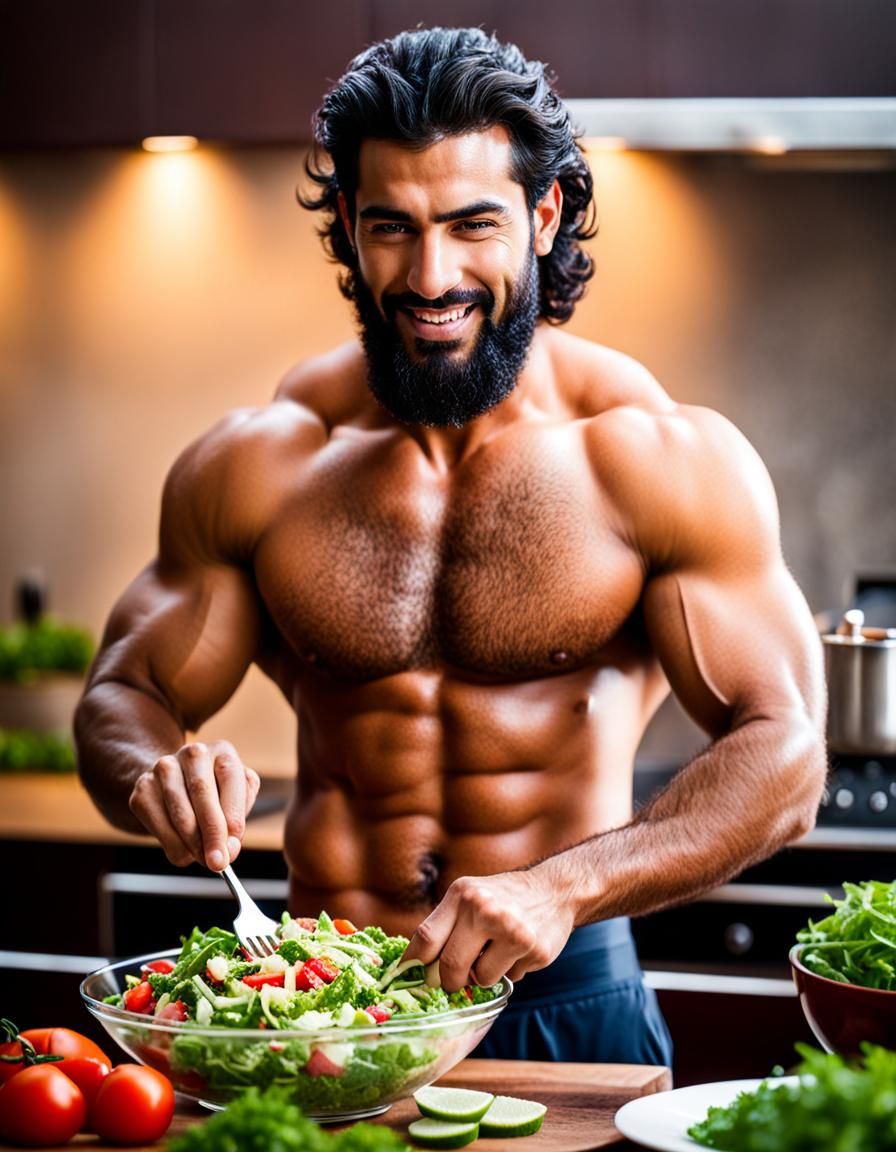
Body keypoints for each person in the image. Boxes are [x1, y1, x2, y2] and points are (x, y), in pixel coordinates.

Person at [75, 26, 826, 1067]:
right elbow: (122, 695)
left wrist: (564, 884)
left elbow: (784, 754)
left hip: (560, 1003)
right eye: (391, 228)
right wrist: (156, 772)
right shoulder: (263, 463)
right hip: (317, 1009)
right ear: (346, 222)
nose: (430, 278)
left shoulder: (652, 457)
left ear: (542, 212)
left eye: (472, 224)